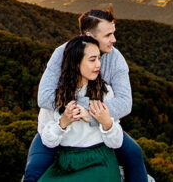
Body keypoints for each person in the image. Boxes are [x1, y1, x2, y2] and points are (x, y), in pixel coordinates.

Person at [24, 7, 149, 182]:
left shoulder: (116, 59)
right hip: (56, 126)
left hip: (96, 133)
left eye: (113, 33)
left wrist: (90, 113)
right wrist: (71, 113)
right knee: (33, 172)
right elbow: (44, 97)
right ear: (89, 36)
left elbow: (124, 103)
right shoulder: (63, 54)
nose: (114, 39)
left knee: (134, 154)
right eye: (107, 35)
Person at [36, 35, 122, 181]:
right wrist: (63, 123)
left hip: (100, 160)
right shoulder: (55, 95)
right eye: (92, 59)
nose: (98, 65)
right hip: (66, 162)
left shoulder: (105, 91)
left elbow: (117, 142)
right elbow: (47, 141)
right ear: (76, 63)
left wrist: (106, 122)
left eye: (99, 58)